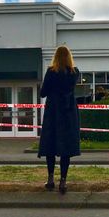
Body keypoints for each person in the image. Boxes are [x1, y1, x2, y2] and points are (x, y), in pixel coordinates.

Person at [38, 45, 80, 194]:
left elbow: (43, 93)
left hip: (53, 111)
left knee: (50, 144)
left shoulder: (51, 72)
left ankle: (50, 179)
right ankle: (63, 181)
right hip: (68, 112)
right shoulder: (75, 73)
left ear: (55, 56)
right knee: (66, 148)